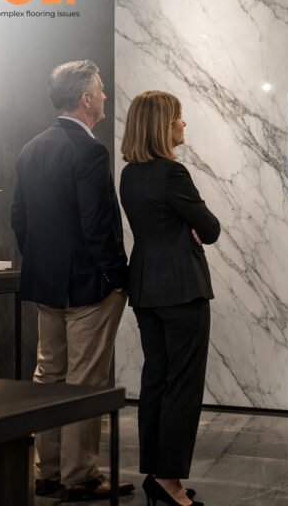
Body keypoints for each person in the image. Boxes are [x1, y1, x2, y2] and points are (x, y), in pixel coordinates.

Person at [11, 60, 135, 500]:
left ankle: (47, 472)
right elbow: (97, 226)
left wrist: (44, 264)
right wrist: (118, 279)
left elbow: (19, 220)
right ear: (85, 99)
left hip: (47, 285)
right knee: (85, 382)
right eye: (100, 91)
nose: (104, 97)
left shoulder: (30, 148)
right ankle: (79, 477)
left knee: (49, 375)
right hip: (89, 288)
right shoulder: (90, 151)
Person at [120, 90, 219, 506]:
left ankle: (156, 473)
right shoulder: (172, 174)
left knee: (156, 380)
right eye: (179, 117)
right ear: (163, 125)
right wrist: (191, 227)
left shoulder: (129, 174)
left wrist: (187, 225)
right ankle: (169, 479)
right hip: (181, 288)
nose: (184, 124)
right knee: (182, 385)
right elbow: (210, 228)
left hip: (145, 288)